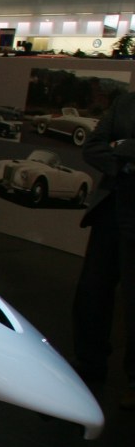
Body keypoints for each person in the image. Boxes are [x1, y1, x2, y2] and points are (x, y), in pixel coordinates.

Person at [72, 90, 135, 410]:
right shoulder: (126, 102)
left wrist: (121, 148)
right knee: (92, 291)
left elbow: (110, 147)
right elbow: (93, 146)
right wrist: (126, 162)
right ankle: (90, 363)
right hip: (110, 208)